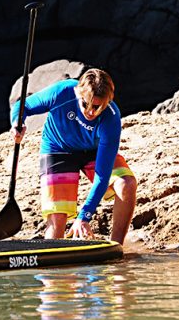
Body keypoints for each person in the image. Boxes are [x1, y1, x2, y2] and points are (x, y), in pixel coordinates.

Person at [10, 68, 137, 244]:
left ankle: (117, 246)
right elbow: (23, 106)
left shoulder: (111, 118)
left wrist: (84, 216)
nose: (90, 112)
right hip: (58, 148)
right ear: (78, 92)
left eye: (97, 107)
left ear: (108, 101)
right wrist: (17, 122)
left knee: (126, 184)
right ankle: (52, 257)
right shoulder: (62, 92)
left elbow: (102, 176)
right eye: (85, 104)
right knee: (58, 219)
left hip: (93, 151)